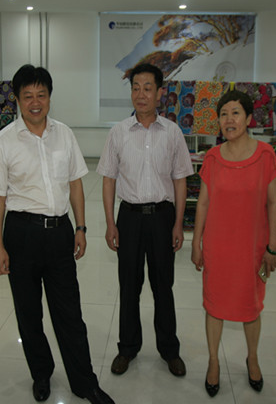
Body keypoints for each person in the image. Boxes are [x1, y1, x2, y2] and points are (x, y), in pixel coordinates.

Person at [0, 64, 114, 404]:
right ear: (17, 99)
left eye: (41, 95)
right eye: (28, 96)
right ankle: (41, 373)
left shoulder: (64, 134)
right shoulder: (4, 142)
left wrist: (81, 227)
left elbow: (75, 184)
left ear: (50, 97)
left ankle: (84, 383)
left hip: (59, 234)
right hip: (21, 234)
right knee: (29, 313)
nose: (35, 102)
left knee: (69, 313)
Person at [97, 63, 193, 377]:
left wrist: (178, 223)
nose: (141, 94)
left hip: (163, 218)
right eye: (136, 88)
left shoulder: (173, 132)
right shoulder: (118, 132)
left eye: (148, 88)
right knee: (129, 286)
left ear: (160, 92)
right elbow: (108, 179)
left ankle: (169, 350)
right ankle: (128, 348)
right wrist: (110, 223)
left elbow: (180, 180)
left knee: (163, 286)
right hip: (130, 218)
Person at [191, 90, 276, 397]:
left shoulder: (265, 155)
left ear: (249, 118)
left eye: (236, 113)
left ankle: (252, 358)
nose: (229, 119)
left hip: (251, 249)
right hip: (218, 248)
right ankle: (213, 361)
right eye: (224, 114)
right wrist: (196, 243)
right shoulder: (212, 158)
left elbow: (273, 203)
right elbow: (203, 203)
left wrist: (272, 247)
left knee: (250, 307)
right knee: (214, 306)